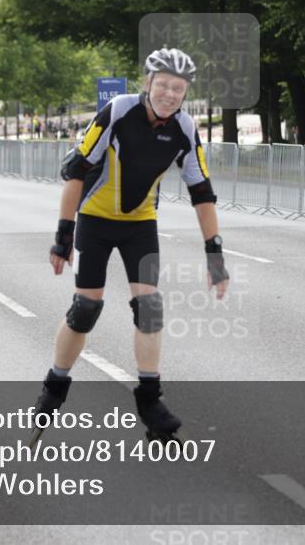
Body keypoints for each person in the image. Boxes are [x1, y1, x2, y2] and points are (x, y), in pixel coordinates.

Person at [32, 47, 229, 444]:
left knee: (150, 307)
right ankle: (54, 388)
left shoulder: (186, 129)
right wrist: (63, 235)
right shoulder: (119, 110)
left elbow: (202, 191)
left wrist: (215, 254)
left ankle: (150, 402)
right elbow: (75, 170)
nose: (170, 94)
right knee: (86, 308)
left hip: (140, 224)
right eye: (164, 85)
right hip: (94, 221)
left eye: (179, 88)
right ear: (148, 83)